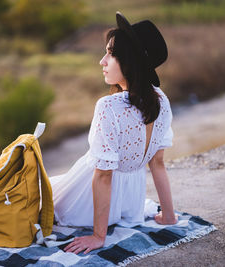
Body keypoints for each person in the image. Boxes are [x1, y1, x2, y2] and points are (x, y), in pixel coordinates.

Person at [49, 11, 178, 255]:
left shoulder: (109, 106)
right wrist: (169, 216)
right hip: (130, 203)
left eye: (111, 54)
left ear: (130, 62)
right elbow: (158, 164)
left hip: (87, 200)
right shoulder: (162, 100)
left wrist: (99, 236)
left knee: (40, 195)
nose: (102, 61)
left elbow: (104, 176)